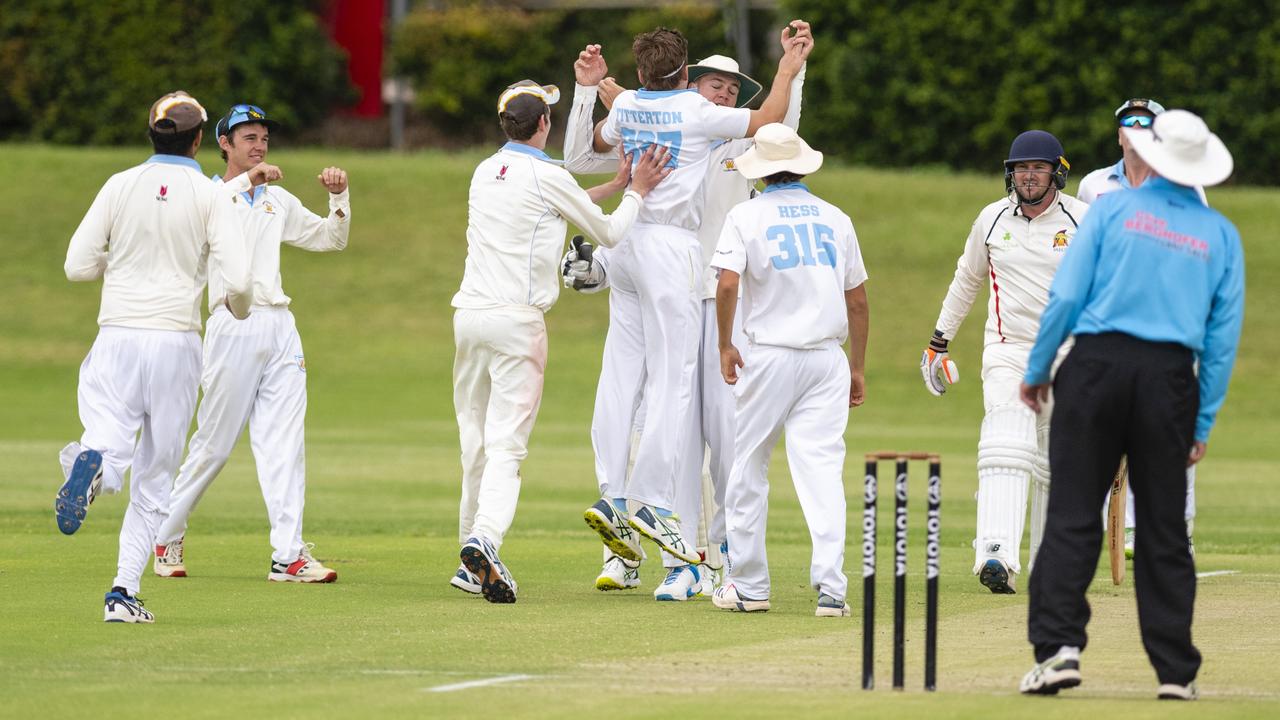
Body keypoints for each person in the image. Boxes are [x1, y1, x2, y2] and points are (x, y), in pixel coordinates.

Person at [563, 29, 809, 600]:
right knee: (666, 392)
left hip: (673, 272)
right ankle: (650, 513)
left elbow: (777, 133)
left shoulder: (634, 104)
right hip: (670, 259)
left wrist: (601, 86)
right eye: (715, 84)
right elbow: (769, 116)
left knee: (671, 406)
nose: (724, 94)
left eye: (732, 89)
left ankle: (657, 521)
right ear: (689, 80)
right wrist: (788, 68)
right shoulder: (699, 116)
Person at [1018, 109, 1243, 700]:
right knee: (1165, 528)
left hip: (1094, 368)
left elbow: (1067, 294)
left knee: (1071, 513)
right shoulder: (1220, 234)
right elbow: (1221, 342)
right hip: (1169, 378)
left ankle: (1058, 650)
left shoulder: (1113, 209)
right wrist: (1203, 420)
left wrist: (1039, 369)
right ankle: (1176, 673)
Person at [449, 80, 670, 603]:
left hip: (468, 318)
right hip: (516, 323)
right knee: (507, 447)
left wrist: (612, 187)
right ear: (544, 124)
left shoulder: (485, 172)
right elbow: (611, 234)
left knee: (475, 442)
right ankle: (485, 540)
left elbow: (548, 207)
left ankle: (467, 555)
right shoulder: (547, 174)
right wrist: (637, 189)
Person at [55, 90, 258, 622]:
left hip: (117, 333)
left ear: (151, 133)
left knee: (108, 442)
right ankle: (122, 591)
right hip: (175, 339)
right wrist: (237, 309)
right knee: (156, 475)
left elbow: (78, 266)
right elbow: (237, 283)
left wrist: (119, 268)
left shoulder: (120, 185)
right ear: (198, 140)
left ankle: (87, 464)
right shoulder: (211, 195)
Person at [152, 103, 351, 584]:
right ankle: (164, 534)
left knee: (284, 441)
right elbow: (211, 219)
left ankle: (288, 555)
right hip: (231, 325)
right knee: (214, 446)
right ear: (223, 144)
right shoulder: (206, 196)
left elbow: (330, 240)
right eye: (248, 139)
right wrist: (249, 182)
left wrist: (339, 199)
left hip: (280, 325)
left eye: (263, 138)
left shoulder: (276, 201)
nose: (259, 146)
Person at [708, 123, 868, 615]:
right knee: (821, 471)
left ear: (762, 170)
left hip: (770, 354)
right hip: (826, 360)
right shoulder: (835, 217)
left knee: (748, 468)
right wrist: (857, 368)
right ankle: (832, 588)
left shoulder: (745, 215)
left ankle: (751, 587)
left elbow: (728, 285)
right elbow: (857, 300)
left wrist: (724, 344)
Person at [920, 130, 1089, 594]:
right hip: (1009, 350)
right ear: (1009, 173)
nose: (1028, 176)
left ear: (1057, 171)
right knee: (1006, 439)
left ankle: (1050, 561)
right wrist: (939, 341)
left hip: (1071, 352)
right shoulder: (992, 220)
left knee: (1057, 459)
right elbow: (967, 279)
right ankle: (995, 554)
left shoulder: (1083, 221)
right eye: (1020, 168)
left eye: (1037, 167)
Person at [1078, 98, 1203, 557]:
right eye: (1127, 124)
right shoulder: (1094, 186)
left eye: (1144, 124)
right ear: (1118, 135)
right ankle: (1125, 530)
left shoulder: (1184, 182)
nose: (1134, 130)